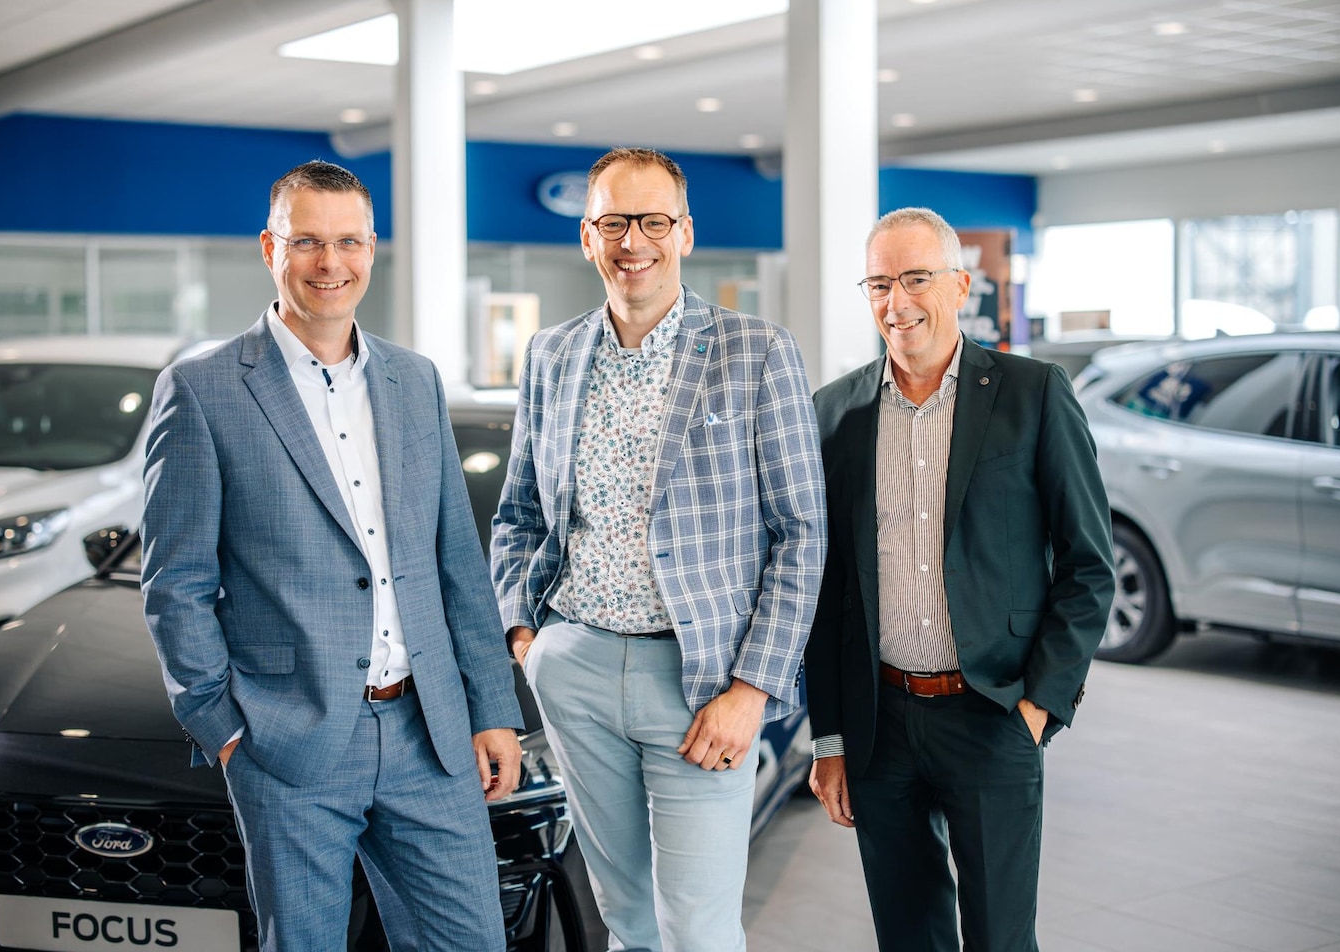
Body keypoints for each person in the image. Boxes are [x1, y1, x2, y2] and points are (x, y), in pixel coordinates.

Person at [141, 160, 522, 952]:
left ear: (372, 249)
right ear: (269, 248)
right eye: (307, 241)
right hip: (290, 738)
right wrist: (224, 728)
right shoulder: (204, 389)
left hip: (429, 732)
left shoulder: (415, 380)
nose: (330, 262)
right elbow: (176, 583)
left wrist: (491, 708)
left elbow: (457, 559)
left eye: (348, 241)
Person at [491, 147, 826, 952]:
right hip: (575, 670)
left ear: (684, 233)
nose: (631, 241)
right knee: (628, 919)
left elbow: (802, 531)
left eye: (651, 221)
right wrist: (527, 638)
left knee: (699, 931)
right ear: (587, 236)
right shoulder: (552, 354)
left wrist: (751, 690)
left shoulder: (756, 351)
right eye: (613, 222)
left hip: (700, 683)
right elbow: (519, 514)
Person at [805, 207, 1114, 952]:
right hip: (879, 725)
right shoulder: (834, 411)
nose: (896, 302)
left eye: (916, 279)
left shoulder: (1033, 392)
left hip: (992, 712)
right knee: (907, 936)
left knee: (1001, 938)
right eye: (879, 283)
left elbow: (1087, 563)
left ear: (960, 286)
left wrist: (1039, 703)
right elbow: (826, 588)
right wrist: (830, 738)